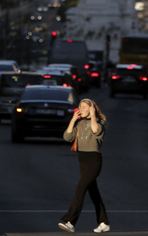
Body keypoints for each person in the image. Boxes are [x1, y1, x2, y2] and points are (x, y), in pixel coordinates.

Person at [59, 99, 110, 233]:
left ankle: (70, 221)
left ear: (92, 109)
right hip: (82, 161)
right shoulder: (81, 123)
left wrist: (93, 115)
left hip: (94, 162)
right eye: (80, 107)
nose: (81, 110)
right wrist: (73, 120)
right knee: (93, 193)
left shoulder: (100, 122)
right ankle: (104, 222)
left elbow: (96, 131)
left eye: (84, 107)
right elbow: (67, 137)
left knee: (80, 190)